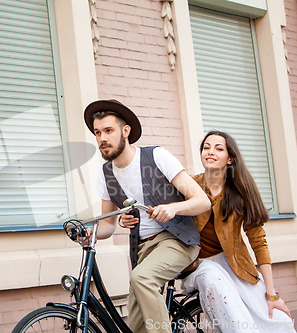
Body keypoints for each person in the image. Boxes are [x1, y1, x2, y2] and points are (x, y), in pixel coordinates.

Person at [83, 99, 211, 333]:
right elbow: (108, 226)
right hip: (143, 250)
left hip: (177, 240)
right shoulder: (105, 173)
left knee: (141, 278)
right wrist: (92, 233)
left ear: (126, 131)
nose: (102, 138)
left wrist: (173, 208)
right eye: (97, 132)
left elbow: (202, 201)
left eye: (109, 131)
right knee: (138, 322)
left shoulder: (156, 156)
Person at [180, 130, 297, 332]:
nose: (210, 151)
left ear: (230, 159)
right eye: (206, 147)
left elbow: (258, 242)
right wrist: (127, 218)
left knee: (279, 321)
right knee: (232, 313)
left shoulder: (239, 191)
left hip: (235, 265)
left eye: (218, 148)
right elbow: (159, 208)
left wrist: (271, 293)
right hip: (200, 265)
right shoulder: (188, 185)